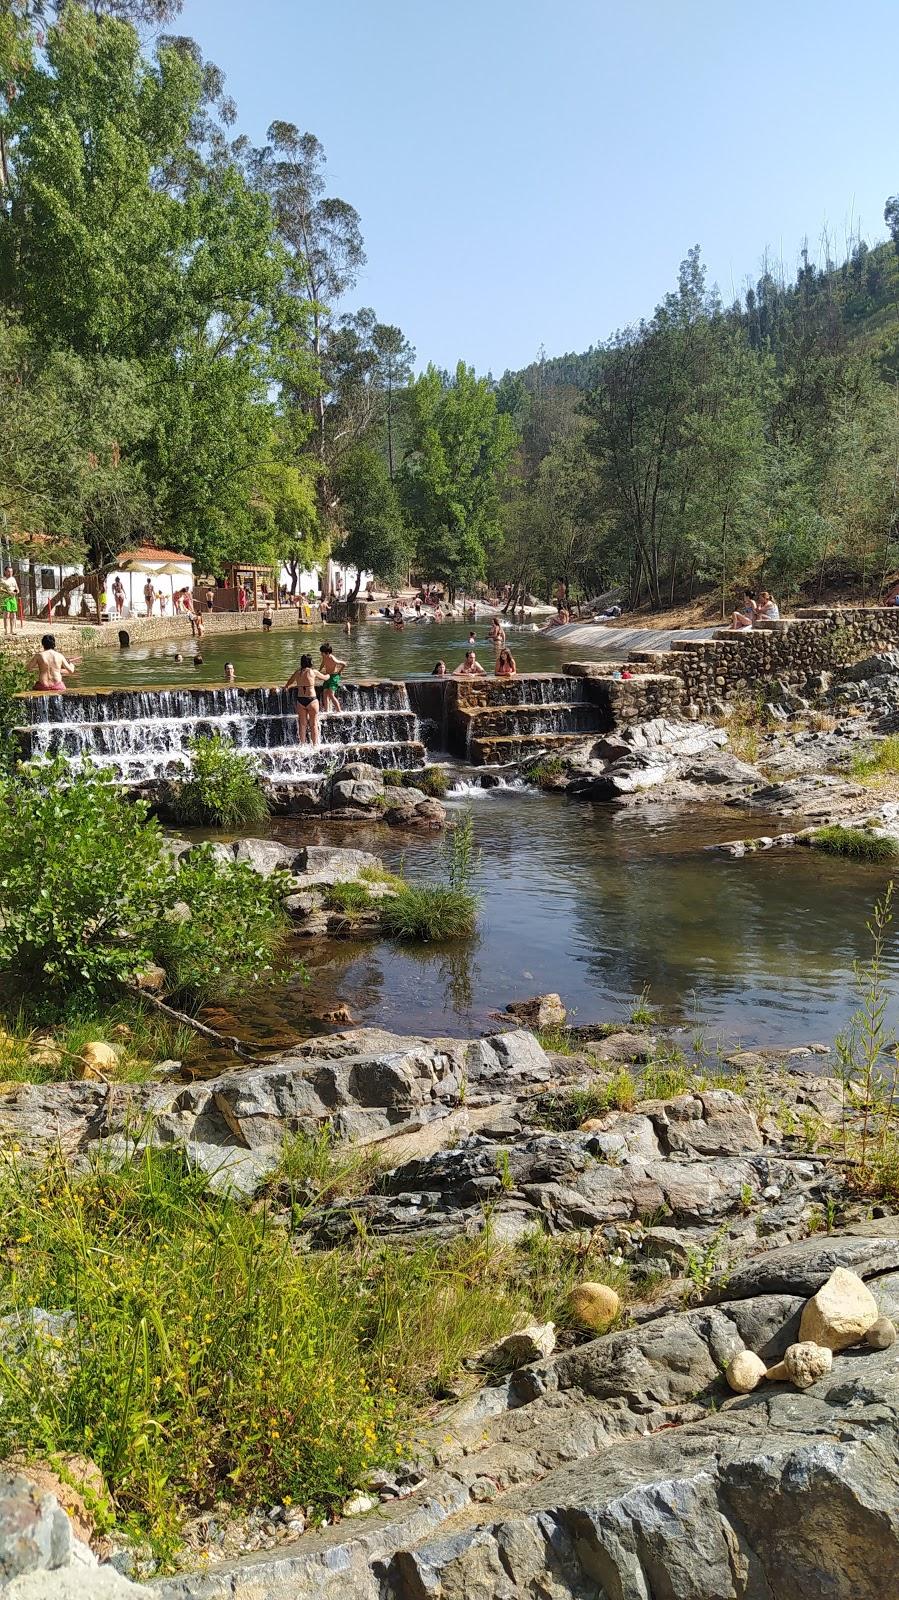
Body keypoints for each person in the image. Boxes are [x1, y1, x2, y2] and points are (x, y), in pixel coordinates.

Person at [284, 653, 326, 745]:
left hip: (300, 700)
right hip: (312, 700)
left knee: (302, 724)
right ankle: (315, 745)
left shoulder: (297, 672)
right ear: (310, 662)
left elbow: (290, 681)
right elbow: (325, 678)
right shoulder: (313, 672)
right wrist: (330, 675)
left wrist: (286, 686)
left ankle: (302, 744)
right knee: (313, 724)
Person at [318, 642, 346, 712]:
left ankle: (339, 710)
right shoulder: (324, 657)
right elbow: (322, 664)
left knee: (331, 694)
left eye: (322, 652)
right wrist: (319, 671)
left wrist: (340, 672)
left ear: (327, 653)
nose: (321, 654)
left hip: (334, 677)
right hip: (327, 677)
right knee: (325, 694)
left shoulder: (333, 659)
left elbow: (344, 664)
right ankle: (327, 711)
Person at [1, 566, 19, 636]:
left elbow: (16, 588)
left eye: (11, 571)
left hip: (13, 598)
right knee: (7, 614)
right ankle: (6, 630)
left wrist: (15, 592)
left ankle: (12, 630)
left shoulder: (13, 579)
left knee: (13, 614)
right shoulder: (2, 580)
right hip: (6, 598)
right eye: (8, 571)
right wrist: (8, 592)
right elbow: (1, 589)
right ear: (5, 572)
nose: (10, 573)